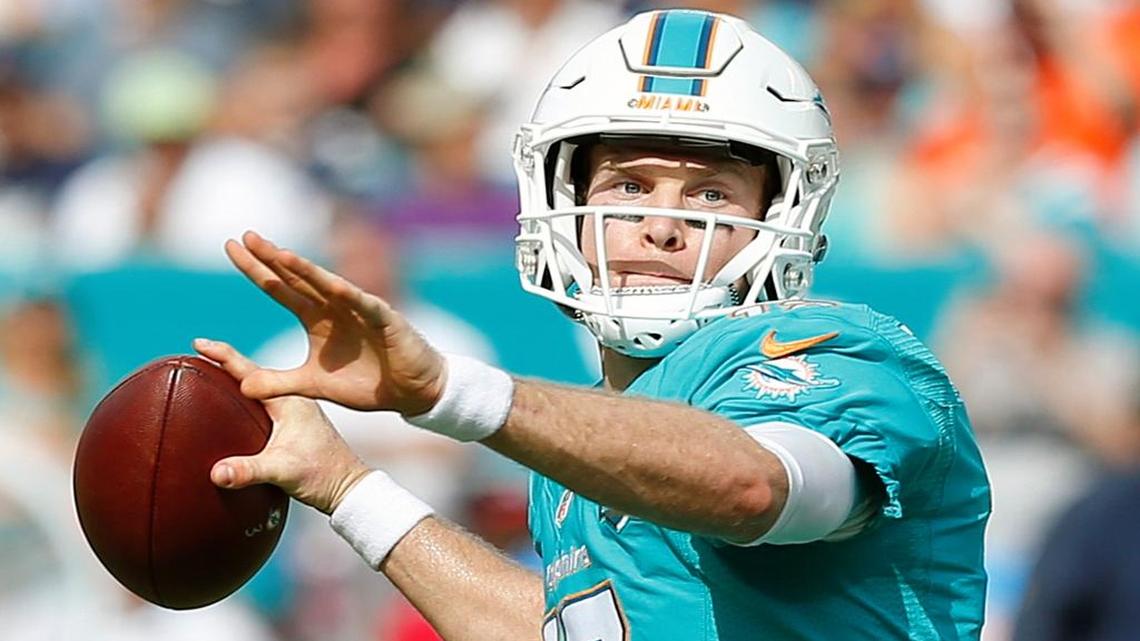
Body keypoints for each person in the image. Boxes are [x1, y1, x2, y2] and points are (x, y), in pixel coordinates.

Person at [193, 9, 990, 640]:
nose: (664, 224)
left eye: (711, 194)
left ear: (783, 214)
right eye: (629, 184)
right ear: (561, 206)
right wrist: (348, 487)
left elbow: (755, 486)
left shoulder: (850, 355)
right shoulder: (585, 443)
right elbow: (561, 628)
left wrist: (452, 392)